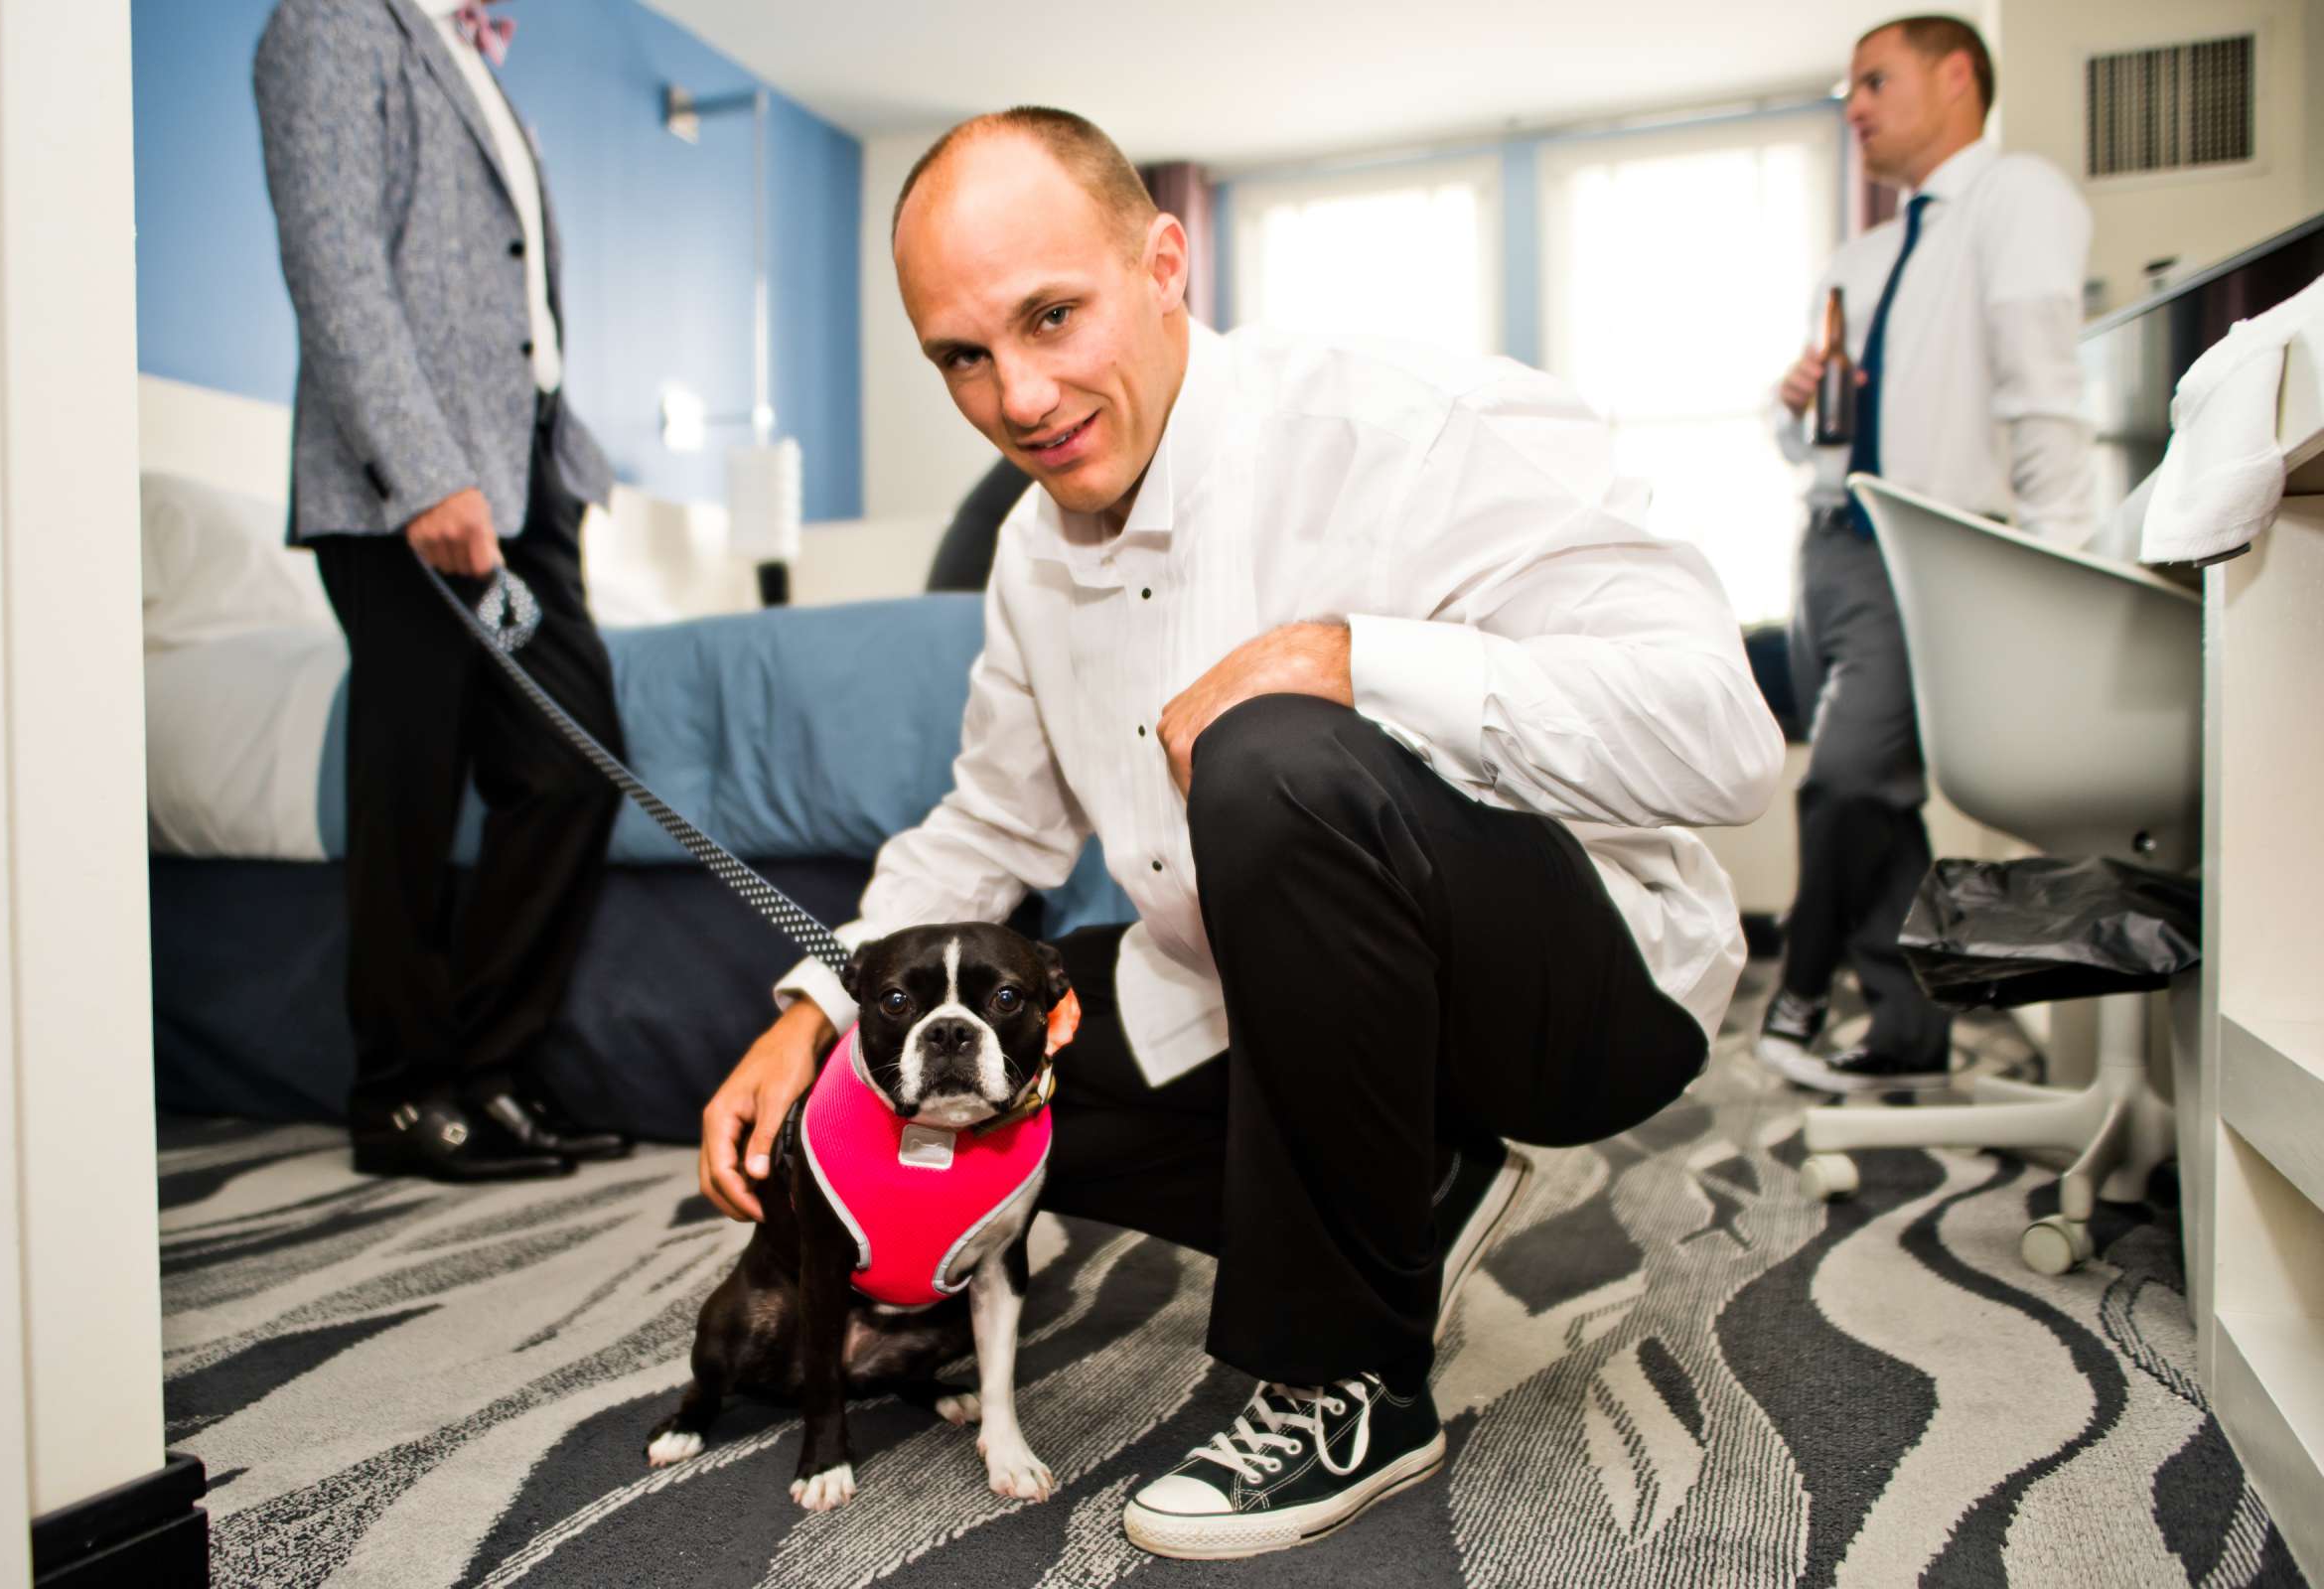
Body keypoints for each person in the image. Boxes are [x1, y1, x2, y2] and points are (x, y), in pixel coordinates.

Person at [697, 107, 1781, 1557]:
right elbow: (992, 822)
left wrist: (1351, 659)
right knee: (963, 1077)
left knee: (1272, 755)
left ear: (1164, 263)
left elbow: (1723, 734)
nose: (1018, 395)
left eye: (1053, 316)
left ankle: (1350, 1375)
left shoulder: (1400, 426)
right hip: (1248, 987)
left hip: (1586, 987)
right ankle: (1417, 1194)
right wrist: (813, 1015)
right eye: (964, 355)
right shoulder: (1031, 552)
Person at [255, 0, 632, 1180]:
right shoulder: (330, 23)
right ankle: (403, 1093)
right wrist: (424, 474)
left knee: (571, 762)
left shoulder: (466, 52)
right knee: (408, 784)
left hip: (523, 475)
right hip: (408, 484)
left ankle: (494, 1070)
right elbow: (336, 262)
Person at [1758, 14, 2095, 1094]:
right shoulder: (1857, 255)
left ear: (1957, 75)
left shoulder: (2016, 200)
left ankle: (1798, 993)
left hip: (1919, 552)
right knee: (1882, 795)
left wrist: (2062, 574)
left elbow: (2044, 392)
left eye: (1873, 80)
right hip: (1826, 548)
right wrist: (1794, 406)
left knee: (1851, 778)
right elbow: (1812, 437)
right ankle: (1904, 1032)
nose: (1851, 105)